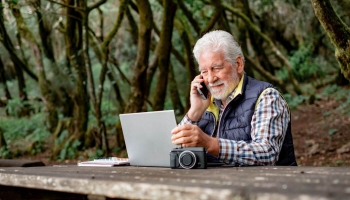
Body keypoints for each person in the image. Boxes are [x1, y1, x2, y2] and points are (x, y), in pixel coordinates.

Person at [171, 30, 297, 166]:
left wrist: (210, 144)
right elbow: (173, 152)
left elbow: (267, 153)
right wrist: (195, 111)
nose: (211, 79)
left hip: (263, 185)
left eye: (217, 68)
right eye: (204, 72)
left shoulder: (267, 97)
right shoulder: (206, 102)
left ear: (238, 64)